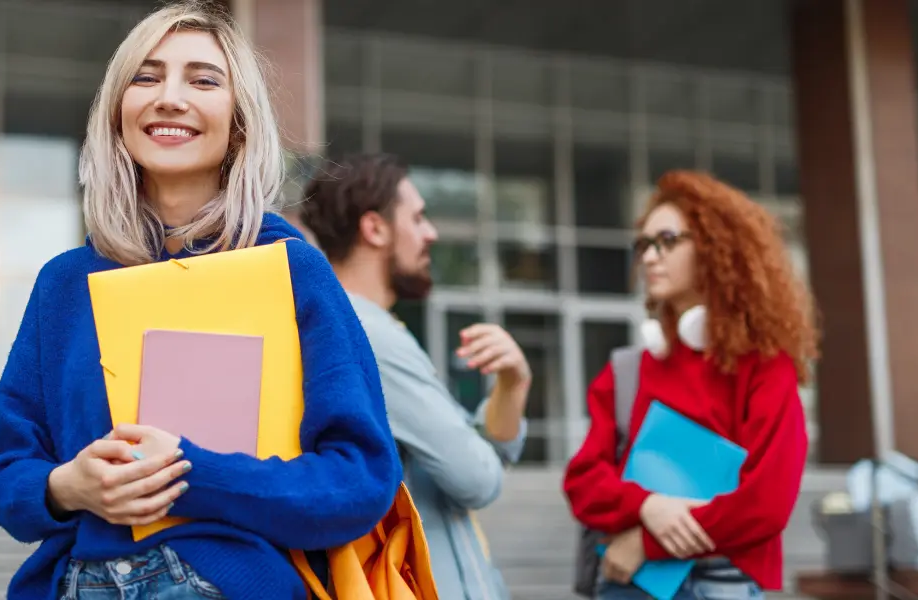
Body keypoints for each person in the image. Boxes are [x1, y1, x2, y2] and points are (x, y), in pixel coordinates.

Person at [0, 4, 402, 599]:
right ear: (116, 113)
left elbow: (360, 480)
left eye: (203, 80)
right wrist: (66, 486)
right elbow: (8, 479)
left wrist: (192, 473)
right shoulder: (64, 285)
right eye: (146, 77)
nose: (169, 98)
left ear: (238, 122)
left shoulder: (290, 270)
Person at [563, 170, 818, 599]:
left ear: (717, 248)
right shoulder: (629, 370)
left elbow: (766, 503)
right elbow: (583, 481)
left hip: (715, 584)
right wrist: (648, 505)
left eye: (666, 241)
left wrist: (646, 542)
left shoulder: (765, 367)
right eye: (643, 244)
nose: (648, 257)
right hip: (631, 586)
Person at [299, 153, 531, 600]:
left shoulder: (349, 325)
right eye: (419, 217)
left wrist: (512, 383)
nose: (432, 233)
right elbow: (477, 477)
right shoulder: (370, 335)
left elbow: (481, 452)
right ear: (375, 229)